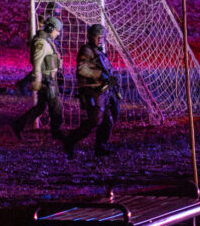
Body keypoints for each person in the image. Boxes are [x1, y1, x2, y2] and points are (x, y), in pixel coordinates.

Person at [63, 23, 120, 159]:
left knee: (107, 120)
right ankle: (70, 141)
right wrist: (99, 74)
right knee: (94, 121)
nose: (100, 40)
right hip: (92, 91)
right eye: (97, 37)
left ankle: (101, 147)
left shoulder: (99, 52)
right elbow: (81, 69)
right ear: (91, 37)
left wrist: (112, 78)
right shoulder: (87, 50)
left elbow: (106, 70)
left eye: (102, 37)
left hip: (103, 91)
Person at [11, 17, 65, 141]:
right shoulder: (42, 43)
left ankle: (18, 125)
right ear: (51, 28)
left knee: (40, 107)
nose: (58, 33)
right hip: (47, 80)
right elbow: (37, 63)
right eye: (57, 31)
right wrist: (37, 80)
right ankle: (56, 133)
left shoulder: (47, 41)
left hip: (49, 79)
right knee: (56, 107)